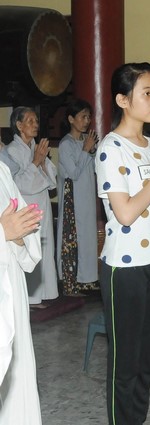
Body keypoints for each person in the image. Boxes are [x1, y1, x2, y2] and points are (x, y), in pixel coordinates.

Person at [95, 62, 150, 425]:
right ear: (122, 100)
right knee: (126, 362)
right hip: (125, 269)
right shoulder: (110, 148)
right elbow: (126, 213)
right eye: (146, 93)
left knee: (147, 358)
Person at [0, 160, 43, 424]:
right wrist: (3, 232)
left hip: (10, 278)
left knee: (17, 374)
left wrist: (18, 235)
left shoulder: (1, 169)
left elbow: (23, 221)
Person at [1, 107, 57, 308]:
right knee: (28, 246)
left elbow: (51, 178)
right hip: (25, 205)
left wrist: (41, 162)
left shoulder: (35, 146)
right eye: (30, 121)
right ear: (19, 125)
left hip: (42, 203)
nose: (35, 125)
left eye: (36, 121)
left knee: (45, 246)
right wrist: (36, 161)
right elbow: (17, 184)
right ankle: (31, 297)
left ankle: (46, 292)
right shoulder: (11, 151)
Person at [56, 99, 99, 296]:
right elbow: (73, 173)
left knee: (87, 238)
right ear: (71, 119)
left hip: (87, 197)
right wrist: (85, 150)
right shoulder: (66, 144)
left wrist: (92, 151)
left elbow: (94, 168)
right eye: (83, 116)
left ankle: (86, 280)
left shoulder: (86, 142)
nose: (87, 121)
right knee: (72, 238)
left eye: (88, 117)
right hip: (72, 199)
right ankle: (70, 283)